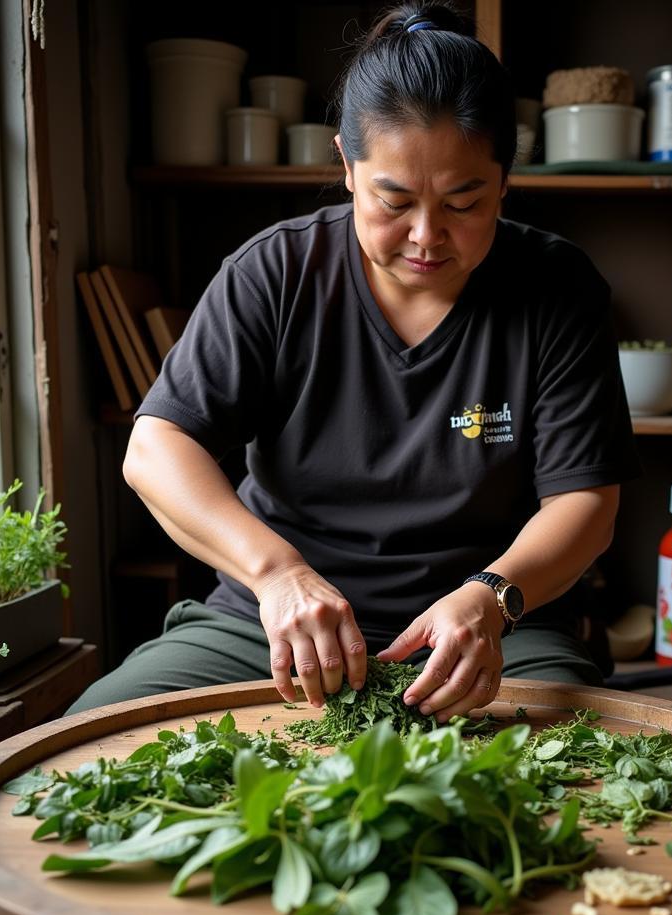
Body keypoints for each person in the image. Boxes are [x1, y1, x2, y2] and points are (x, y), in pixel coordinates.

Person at [67, 2, 639, 722]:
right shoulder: (274, 272)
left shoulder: (558, 287)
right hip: (269, 624)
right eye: (393, 201)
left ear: (504, 180)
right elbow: (155, 450)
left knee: (582, 763)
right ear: (346, 165)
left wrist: (491, 596)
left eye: (463, 202)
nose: (426, 236)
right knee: (89, 732)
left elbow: (585, 504)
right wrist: (276, 576)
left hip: (489, 633)